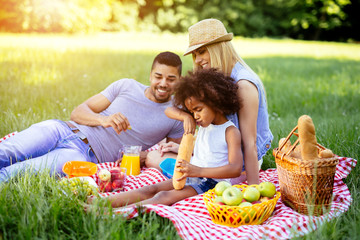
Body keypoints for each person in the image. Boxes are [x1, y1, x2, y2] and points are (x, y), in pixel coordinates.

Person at [0, 51, 184, 183]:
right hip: (60, 129)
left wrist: (145, 155)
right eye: (158, 76)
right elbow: (78, 111)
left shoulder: (176, 114)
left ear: (180, 80)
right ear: (150, 75)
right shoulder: (126, 86)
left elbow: (172, 154)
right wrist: (103, 120)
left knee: (13, 174)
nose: (163, 84)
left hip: (82, 155)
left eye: (170, 79)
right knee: (6, 153)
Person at [85, 68, 243, 210]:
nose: (195, 115)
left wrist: (198, 171)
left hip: (212, 184)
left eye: (198, 110)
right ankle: (100, 203)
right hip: (191, 175)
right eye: (191, 111)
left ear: (216, 102)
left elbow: (235, 169)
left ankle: (111, 214)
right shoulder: (202, 121)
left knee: (162, 197)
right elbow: (169, 110)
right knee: (149, 189)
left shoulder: (230, 132)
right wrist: (185, 117)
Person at [147, 19, 273, 185]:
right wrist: (188, 118)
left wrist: (254, 189)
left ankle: (193, 178)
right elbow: (170, 110)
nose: (198, 60)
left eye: (202, 51)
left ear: (218, 48)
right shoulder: (212, 79)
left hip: (235, 166)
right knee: (154, 155)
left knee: (159, 160)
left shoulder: (243, 84)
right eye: (195, 54)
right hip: (214, 156)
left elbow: (250, 145)